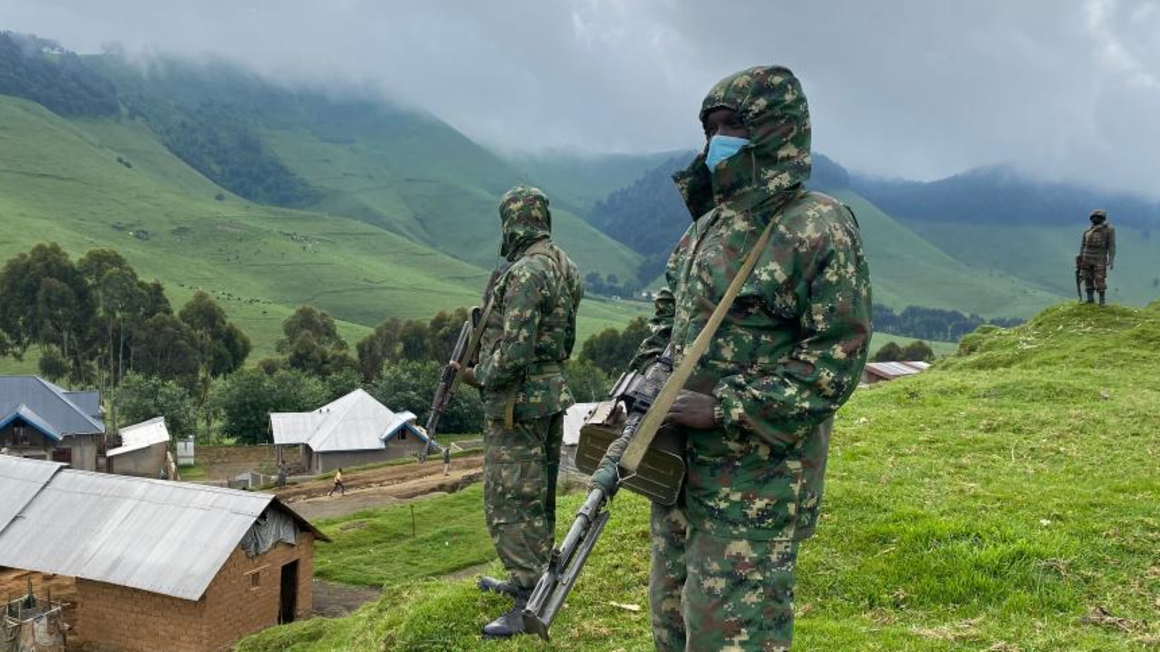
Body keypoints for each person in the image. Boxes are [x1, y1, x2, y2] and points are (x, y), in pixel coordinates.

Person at [591, 66, 872, 651]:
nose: (717, 141)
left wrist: (722, 407)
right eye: (711, 128)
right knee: (673, 629)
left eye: (733, 127)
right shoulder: (706, 231)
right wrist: (645, 386)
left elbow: (835, 361)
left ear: (775, 131)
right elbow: (665, 327)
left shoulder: (816, 227)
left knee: (733, 638)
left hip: (753, 485)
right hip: (675, 472)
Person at [459, 186, 584, 638]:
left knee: (510, 497)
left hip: (517, 402)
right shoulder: (563, 264)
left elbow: (512, 352)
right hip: (550, 393)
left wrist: (477, 374)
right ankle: (529, 576)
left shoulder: (527, 272)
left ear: (512, 221)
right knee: (537, 491)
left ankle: (528, 596)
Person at [1077, 209, 1116, 306]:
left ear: (1103, 219)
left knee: (1100, 279)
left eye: (1099, 217)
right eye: (1094, 217)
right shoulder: (1087, 231)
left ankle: (1102, 301)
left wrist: (1111, 260)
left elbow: (1111, 246)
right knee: (1087, 278)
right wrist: (1080, 258)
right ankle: (1090, 299)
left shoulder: (1109, 230)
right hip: (1086, 257)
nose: (1096, 218)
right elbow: (1083, 245)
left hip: (1100, 258)